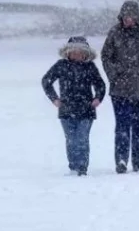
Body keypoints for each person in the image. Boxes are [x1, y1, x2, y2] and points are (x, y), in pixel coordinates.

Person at [101, 1, 139, 173]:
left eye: (131, 17)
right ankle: (121, 160)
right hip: (119, 90)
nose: (128, 20)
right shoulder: (114, 33)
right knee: (121, 127)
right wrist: (114, 75)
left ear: (137, 17)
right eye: (125, 17)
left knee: (138, 128)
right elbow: (106, 57)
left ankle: (138, 161)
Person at [42, 36, 106, 176]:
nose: (77, 54)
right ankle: (73, 166)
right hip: (66, 110)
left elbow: (100, 85)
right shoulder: (61, 65)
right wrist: (54, 99)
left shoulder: (90, 67)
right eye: (74, 51)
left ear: (86, 54)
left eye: (80, 52)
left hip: (86, 110)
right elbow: (46, 81)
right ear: (68, 53)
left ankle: (82, 167)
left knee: (82, 138)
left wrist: (97, 98)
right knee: (71, 140)